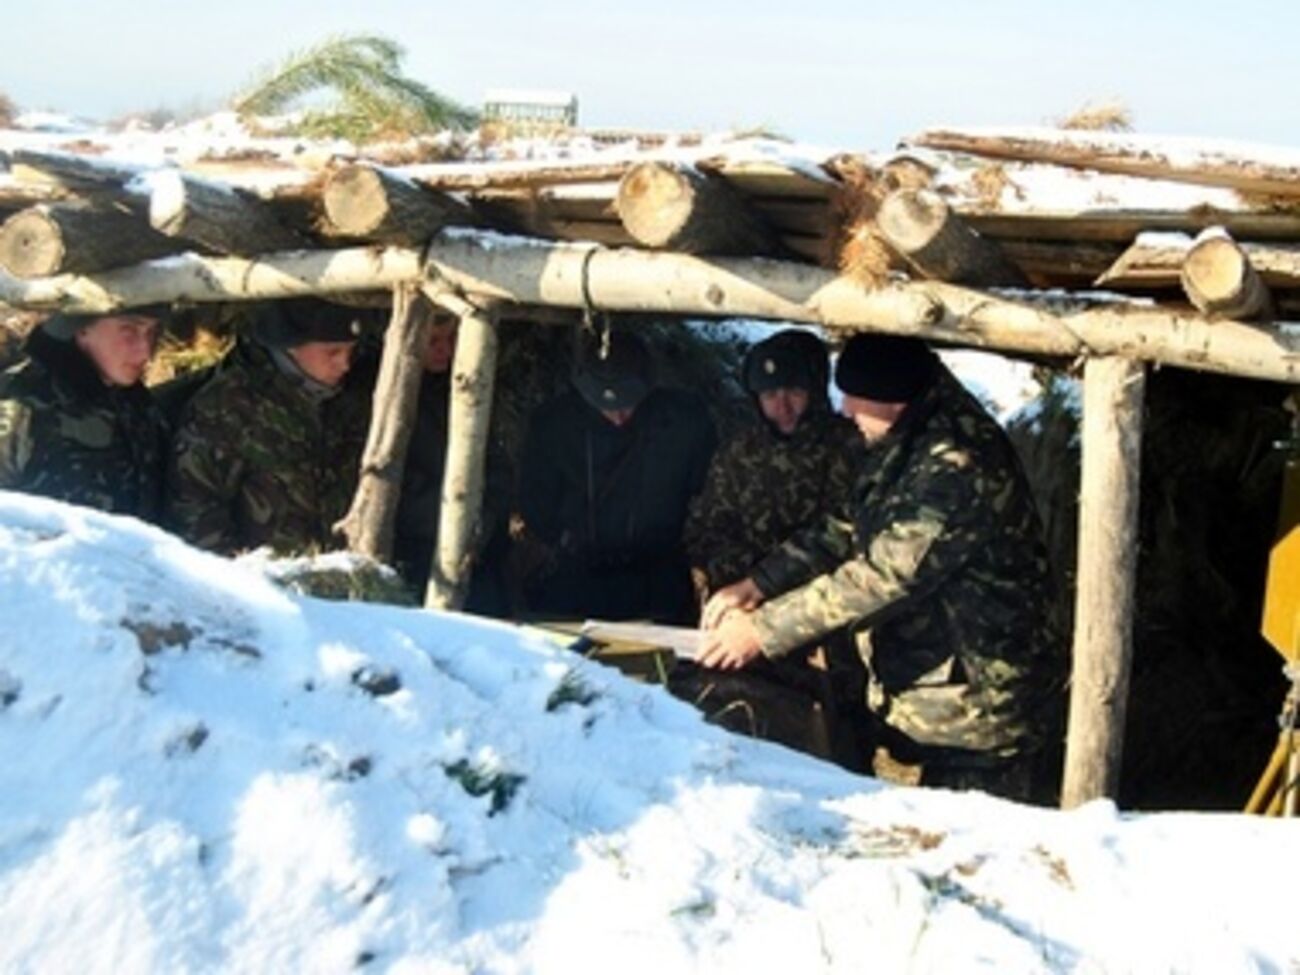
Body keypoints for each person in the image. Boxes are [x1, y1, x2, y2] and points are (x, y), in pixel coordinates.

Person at [698, 333, 1064, 801]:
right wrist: (757, 583)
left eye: (856, 398)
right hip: (943, 697)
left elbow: (881, 576)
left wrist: (761, 631)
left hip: (982, 710)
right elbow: (850, 524)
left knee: (972, 853)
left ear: (894, 399)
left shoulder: (956, 463)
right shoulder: (910, 436)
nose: (846, 410)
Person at [515, 329, 716, 624]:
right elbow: (535, 497)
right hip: (577, 577)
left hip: (658, 579)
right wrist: (563, 538)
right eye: (606, 406)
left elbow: (706, 491)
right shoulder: (553, 425)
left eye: (627, 404)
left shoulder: (683, 420)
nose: (619, 416)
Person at [165, 297, 373, 555]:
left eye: (350, 352)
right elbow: (194, 504)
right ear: (291, 347)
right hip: (257, 583)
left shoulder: (347, 400)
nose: (345, 364)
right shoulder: (228, 405)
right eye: (333, 352)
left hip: (334, 577)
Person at [684, 329, 863, 595]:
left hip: (822, 606)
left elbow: (849, 539)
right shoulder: (740, 451)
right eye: (770, 396)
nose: (783, 407)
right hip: (744, 601)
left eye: (794, 393)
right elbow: (707, 530)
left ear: (814, 390)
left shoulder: (851, 448)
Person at [392, 298, 510, 610]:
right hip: (414, 547)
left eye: (452, 339)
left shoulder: (469, 386)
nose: (445, 349)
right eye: (433, 341)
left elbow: (497, 466)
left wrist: (481, 520)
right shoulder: (381, 397)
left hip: (477, 548)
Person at [0, 307, 168, 520]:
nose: (145, 351)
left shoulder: (137, 404)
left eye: (152, 333)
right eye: (129, 331)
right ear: (81, 329)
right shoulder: (21, 401)